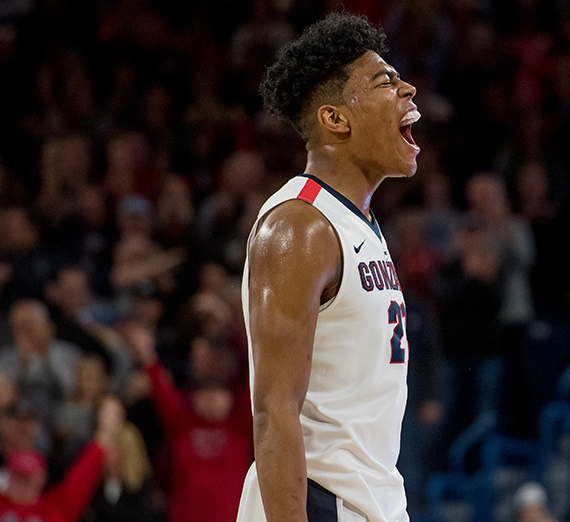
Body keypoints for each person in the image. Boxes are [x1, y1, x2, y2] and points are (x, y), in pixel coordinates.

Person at [237, 12, 421, 522]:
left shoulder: (356, 222)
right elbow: (274, 411)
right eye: (386, 81)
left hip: (368, 499)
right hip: (319, 503)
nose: (408, 88)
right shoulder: (300, 226)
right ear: (335, 119)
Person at [0, 395, 125, 522]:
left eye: (27, 479)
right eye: (18, 478)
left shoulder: (54, 509)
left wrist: (103, 437)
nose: (23, 485)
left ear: (40, 478)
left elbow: (78, 482)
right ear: (8, 477)